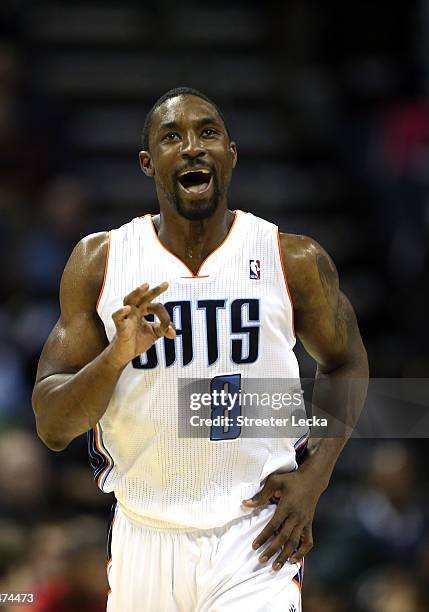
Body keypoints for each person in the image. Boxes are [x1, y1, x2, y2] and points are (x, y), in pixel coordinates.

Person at [32, 87, 369, 611]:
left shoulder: (292, 259)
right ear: (148, 163)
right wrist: (117, 353)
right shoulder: (101, 262)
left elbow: (345, 361)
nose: (192, 147)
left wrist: (315, 478)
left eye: (207, 132)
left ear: (231, 153)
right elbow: (52, 427)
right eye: (172, 137)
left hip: (252, 537)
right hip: (143, 532)